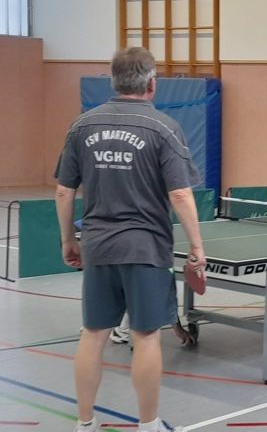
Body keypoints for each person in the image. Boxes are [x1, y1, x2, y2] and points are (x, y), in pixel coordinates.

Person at [55, 47, 205, 432]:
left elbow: (63, 191)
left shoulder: (82, 126)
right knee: (146, 336)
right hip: (146, 248)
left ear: (113, 81)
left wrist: (68, 240)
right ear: (152, 84)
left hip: (98, 246)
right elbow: (180, 194)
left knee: (93, 334)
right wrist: (197, 246)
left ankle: (85, 423)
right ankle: (148, 424)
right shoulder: (164, 128)